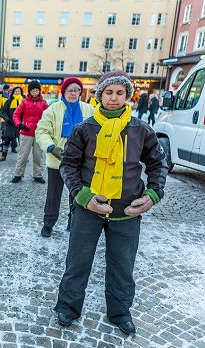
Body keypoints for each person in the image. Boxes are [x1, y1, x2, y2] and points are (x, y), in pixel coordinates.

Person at [54, 71, 167, 335]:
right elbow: (68, 164)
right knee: (78, 262)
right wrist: (82, 195)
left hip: (126, 211)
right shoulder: (85, 128)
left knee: (122, 265)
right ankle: (68, 308)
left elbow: (157, 164)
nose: (114, 98)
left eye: (119, 93)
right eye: (108, 92)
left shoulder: (141, 130)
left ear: (127, 96)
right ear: (100, 96)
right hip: (88, 209)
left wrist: (152, 195)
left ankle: (120, 312)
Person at [36, 77, 94, 237]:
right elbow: (41, 131)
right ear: (64, 92)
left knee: (76, 194)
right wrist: (51, 147)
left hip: (80, 162)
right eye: (70, 90)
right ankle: (48, 224)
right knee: (53, 195)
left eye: (77, 90)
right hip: (57, 162)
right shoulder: (53, 110)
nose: (73, 93)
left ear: (80, 93)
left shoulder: (89, 110)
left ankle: (73, 222)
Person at [11, 80, 48, 183]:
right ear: (29, 91)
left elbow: (48, 117)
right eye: (33, 90)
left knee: (38, 156)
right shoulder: (25, 102)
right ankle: (18, 174)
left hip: (39, 133)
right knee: (23, 155)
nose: (35, 92)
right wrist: (19, 125)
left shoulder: (44, 103)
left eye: (37, 90)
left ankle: (37, 175)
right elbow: (16, 115)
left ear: (39, 91)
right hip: (26, 132)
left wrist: (46, 128)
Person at [0, 86, 24, 161]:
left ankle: (23, 157)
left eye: (18, 91)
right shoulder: (9, 101)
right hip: (10, 124)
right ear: (13, 92)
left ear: (21, 92)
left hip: (20, 125)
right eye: (15, 91)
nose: (17, 92)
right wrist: (7, 119)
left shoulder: (24, 102)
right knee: (7, 140)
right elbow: (3, 112)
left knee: (22, 142)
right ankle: (4, 155)